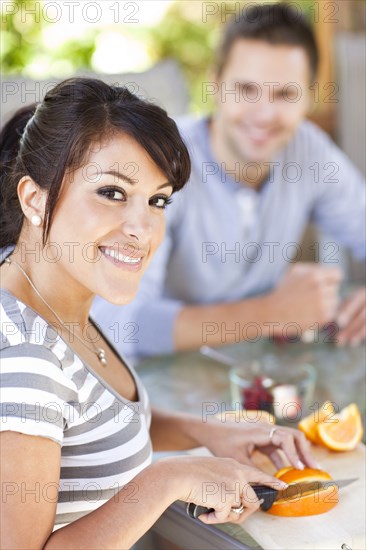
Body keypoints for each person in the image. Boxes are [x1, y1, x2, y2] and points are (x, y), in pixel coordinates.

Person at [0, 78, 318, 548]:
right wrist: (167, 480)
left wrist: (204, 431)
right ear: (34, 199)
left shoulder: (47, 290)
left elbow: (90, 419)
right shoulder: (25, 358)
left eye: (157, 200)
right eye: (111, 192)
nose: (142, 229)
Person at [92, 3, 366, 359]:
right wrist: (272, 313)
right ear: (216, 85)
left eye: (285, 94)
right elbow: (114, 323)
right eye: (247, 89)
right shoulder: (159, 160)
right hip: (154, 380)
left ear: (310, 97)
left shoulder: (309, 151)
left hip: (253, 377)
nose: (265, 114)